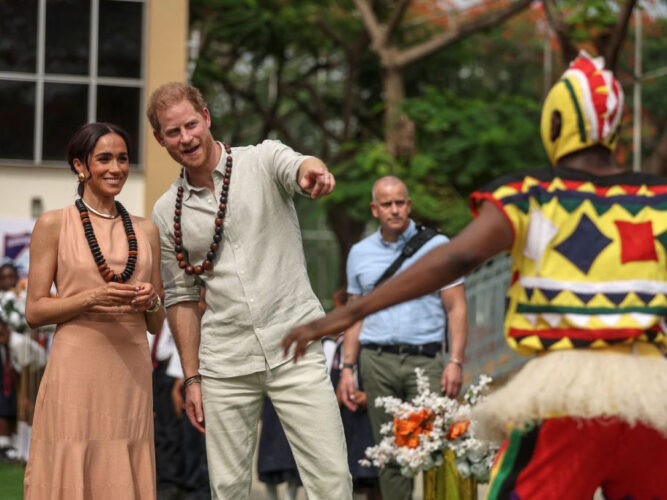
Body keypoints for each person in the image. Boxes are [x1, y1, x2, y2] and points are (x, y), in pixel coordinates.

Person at [284, 51, 667, 499]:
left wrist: (350, 313)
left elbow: (455, 258)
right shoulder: (658, 199)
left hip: (566, 396)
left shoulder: (531, 195)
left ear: (556, 124)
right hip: (653, 394)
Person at [148, 82, 352, 499]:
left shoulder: (261, 159)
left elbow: (298, 165)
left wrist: (312, 172)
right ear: (159, 139)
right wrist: (191, 379)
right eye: (173, 132)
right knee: (227, 489)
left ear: (206, 118)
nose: (186, 137)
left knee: (331, 481)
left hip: (295, 343)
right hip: (225, 361)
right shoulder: (167, 210)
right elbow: (181, 298)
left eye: (190, 124)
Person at [23, 122, 165, 499]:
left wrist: (151, 301)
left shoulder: (146, 230)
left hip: (131, 369)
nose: (116, 168)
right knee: (72, 459)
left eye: (122, 158)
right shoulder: (54, 224)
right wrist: (90, 298)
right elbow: (34, 311)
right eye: (104, 158)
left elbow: (156, 322)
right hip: (76, 368)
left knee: (125, 460)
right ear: (80, 166)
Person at [337, 176, 467, 500]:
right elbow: (354, 315)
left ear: (408, 205)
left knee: (436, 449)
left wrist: (456, 362)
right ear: (375, 209)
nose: (394, 210)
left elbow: (457, 308)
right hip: (377, 361)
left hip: (427, 362)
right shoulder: (360, 253)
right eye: (387, 204)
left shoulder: (439, 247)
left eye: (400, 203)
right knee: (390, 454)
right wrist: (347, 369)